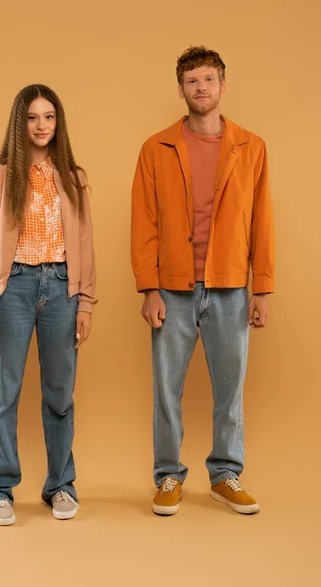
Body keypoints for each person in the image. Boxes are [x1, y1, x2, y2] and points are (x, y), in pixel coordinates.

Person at [131, 46, 274, 516]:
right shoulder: (156, 148)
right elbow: (145, 221)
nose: (201, 88)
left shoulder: (251, 147)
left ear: (222, 86)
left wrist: (263, 288)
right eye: (192, 81)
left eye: (209, 80)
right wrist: (149, 287)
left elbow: (262, 221)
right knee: (166, 387)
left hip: (231, 287)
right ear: (180, 90)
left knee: (230, 387)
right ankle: (168, 475)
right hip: (172, 288)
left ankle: (225, 474)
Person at [0, 84, 97, 525]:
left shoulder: (74, 177)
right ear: (19, 123)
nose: (41, 125)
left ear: (57, 122)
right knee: (4, 393)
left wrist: (86, 301)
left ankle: (61, 485)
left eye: (48, 117)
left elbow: (84, 241)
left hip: (62, 289)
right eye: (32, 118)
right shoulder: (1, 176)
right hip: (15, 290)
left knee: (60, 395)